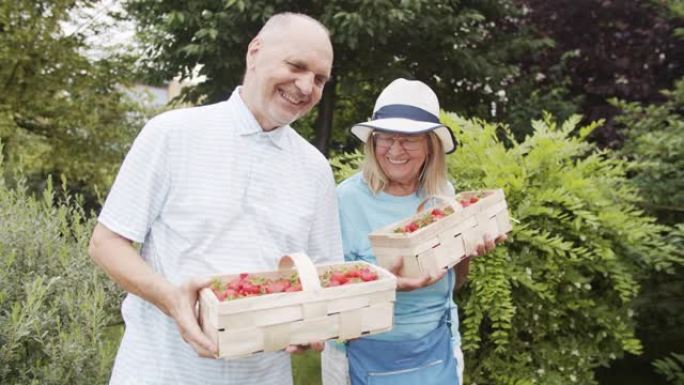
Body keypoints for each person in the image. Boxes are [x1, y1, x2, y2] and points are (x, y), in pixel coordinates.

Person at [88, 13, 343, 385]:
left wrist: (312, 322)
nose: (306, 87)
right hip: (160, 373)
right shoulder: (172, 133)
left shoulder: (315, 169)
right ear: (254, 52)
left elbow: (322, 276)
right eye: (296, 66)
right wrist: (171, 299)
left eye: (319, 79)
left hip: (264, 377)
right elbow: (105, 243)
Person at [321, 78, 505, 385]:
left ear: (430, 145)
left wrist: (466, 251)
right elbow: (330, 298)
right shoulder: (346, 200)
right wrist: (386, 284)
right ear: (373, 142)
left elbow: (453, 284)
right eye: (385, 138)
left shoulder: (442, 194)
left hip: (436, 351)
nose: (395, 150)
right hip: (363, 356)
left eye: (408, 138)